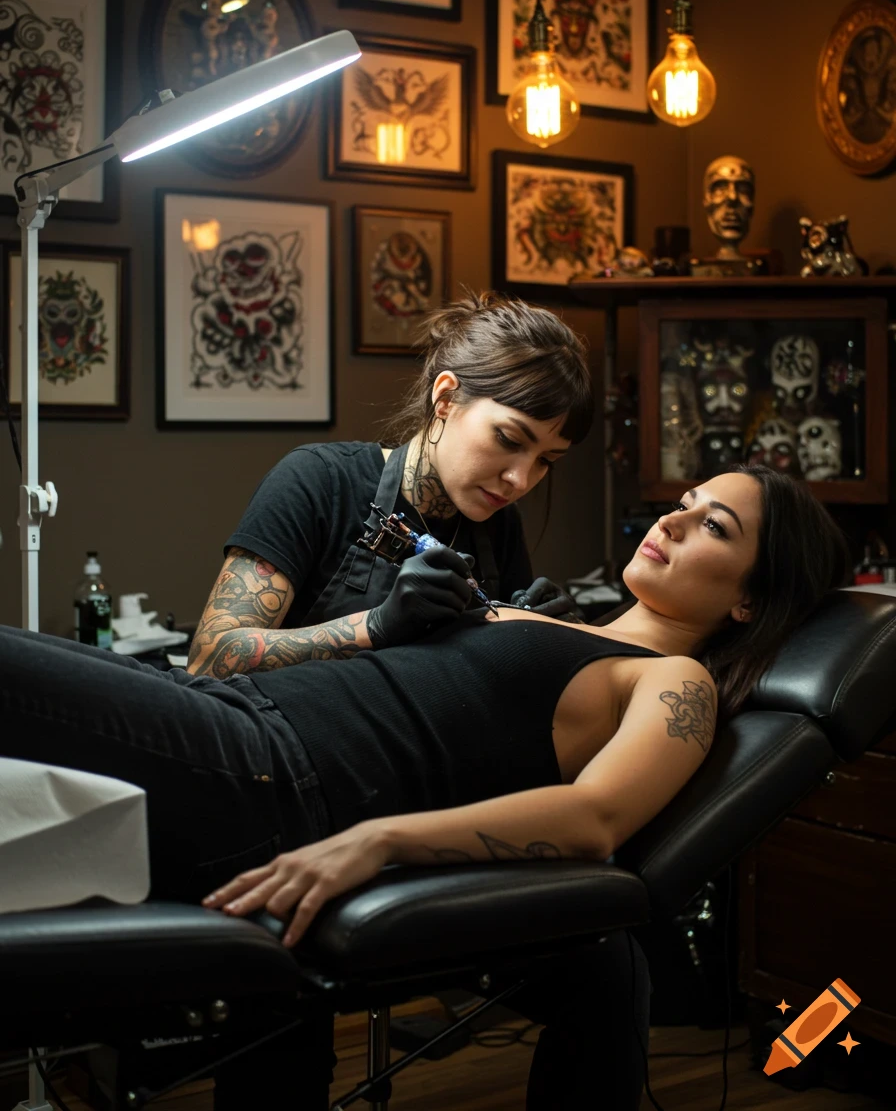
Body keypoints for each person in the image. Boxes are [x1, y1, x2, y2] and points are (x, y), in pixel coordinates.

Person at [1, 466, 850, 1109]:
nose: (674, 515)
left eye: (715, 525)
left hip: (267, 770)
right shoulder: (557, 616)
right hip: (224, 713)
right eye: (688, 498)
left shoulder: (674, 683)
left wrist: (379, 841)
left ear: (749, 599)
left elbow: (596, 820)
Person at [186, 290, 593, 680]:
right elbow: (209, 659)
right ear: (446, 398)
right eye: (508, 439)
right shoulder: (318, 480)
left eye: (545, 461)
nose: (519, 480)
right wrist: (377, 625)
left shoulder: (499, 526)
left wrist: (547, 639)